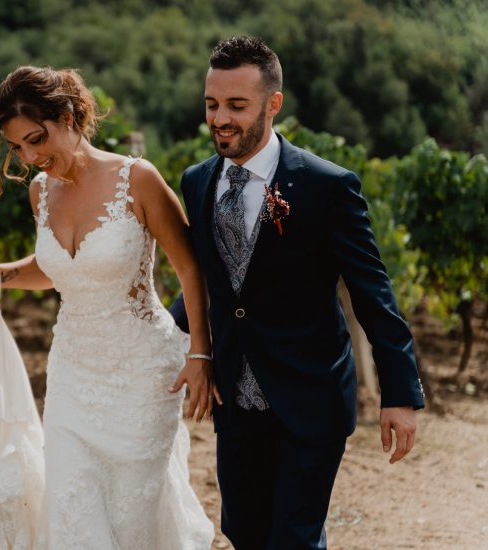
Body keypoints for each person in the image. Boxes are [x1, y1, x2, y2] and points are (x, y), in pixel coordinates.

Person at [169, 36, 425, 549]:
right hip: (235, 399)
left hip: (311, 396)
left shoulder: (326, 186)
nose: (220, 118)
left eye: (237, 105)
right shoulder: (196, 182)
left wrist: (400, 393)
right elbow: (213, 281)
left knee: (294, 538)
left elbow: (372, 291)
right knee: (243, 531)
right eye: (212, 104)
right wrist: (161, 338)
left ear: (273, 104)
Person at [0, 65, 216, 549]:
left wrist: (200, 353)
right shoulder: (40, 191)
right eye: (17, 147)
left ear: (69, 116)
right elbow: (56, 269)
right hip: (73, 372)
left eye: (36, 139)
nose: (30, 157)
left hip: (143, 374)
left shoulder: (137, 178)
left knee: (132, 517)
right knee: (73, 506)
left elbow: (191, 269)